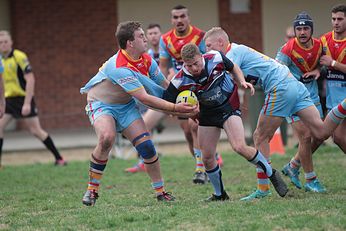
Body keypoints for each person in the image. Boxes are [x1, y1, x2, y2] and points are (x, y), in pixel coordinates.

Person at [203, 27, 346, 201]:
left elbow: (220, 79)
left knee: (260, 137)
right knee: (322, 132)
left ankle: (263, 190)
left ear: (221, 42)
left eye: (209, 46)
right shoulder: (237, 52)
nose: (207, 51)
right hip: (292, 84)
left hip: (280, 87)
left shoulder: (232, 53)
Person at [80, 21, 198, 206]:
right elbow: (144, 98)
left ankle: (161, 192)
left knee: (147, 148)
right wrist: (175, 109)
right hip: (101, 105)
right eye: (141, 36)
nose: (146, 39)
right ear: (130, 43)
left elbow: (164, 86)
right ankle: (92, 190)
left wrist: (181, 100)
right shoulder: (119, 66)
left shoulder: (147, 60)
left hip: (125, 106)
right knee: (107, 138)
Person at [163, 43, 288, 201]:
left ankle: (272, 174)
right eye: (189, 65)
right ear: (183, 64)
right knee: (207, 157)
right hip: (207, 114)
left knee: (239, 146)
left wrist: (241, 80)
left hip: (228, 106)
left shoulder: (215, 57)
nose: (194, 68)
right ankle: (220, 194)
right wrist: (183, 110)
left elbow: (233, 66)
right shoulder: (179, 80)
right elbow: (167, 105)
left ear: (201, 56)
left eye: (196, 63)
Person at [159, 4, 219, 184]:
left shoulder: (200, 36)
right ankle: (204, 161)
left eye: (182, 16)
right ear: (171, 20)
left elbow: (205, 61)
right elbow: (163, 66)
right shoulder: (165, 39)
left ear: (188, 18)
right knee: (187, 131)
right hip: (179, 88)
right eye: (175, 17)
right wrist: (167, 78)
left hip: (197, 86)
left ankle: (201, 169)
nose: (179, 20)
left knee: (195, 126)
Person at [0, 30, 66, 167]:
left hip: (23, 98)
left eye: (5, 41)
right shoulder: (1, 60)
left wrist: (27, 103)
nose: (3, 45)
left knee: (36, 130)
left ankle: (59, 158)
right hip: (9, 101)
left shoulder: (19, 56)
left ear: (11, 42)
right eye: (0, 42)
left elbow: (30, 79)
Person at [276, 12, 326, 192]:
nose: (302, 32)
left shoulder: (320, 45)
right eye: (299, 28)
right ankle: (311, 180)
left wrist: (319, 70)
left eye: (306, 28)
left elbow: (324, 62)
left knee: (320, 136)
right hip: (293, 97)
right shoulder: (286, 50)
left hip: (312, 95)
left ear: (311, 30)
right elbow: (276, 71)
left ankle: (293, 165)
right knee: (305, 137)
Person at [320, 4, 346, 152]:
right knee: (338, 137)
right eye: (333, 19)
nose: (336, 22)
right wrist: (316, 70)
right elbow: (315, 58)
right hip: (334, 97)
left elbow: (330, 63)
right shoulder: (324, 40)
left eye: (340, 19)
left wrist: (333, 63)